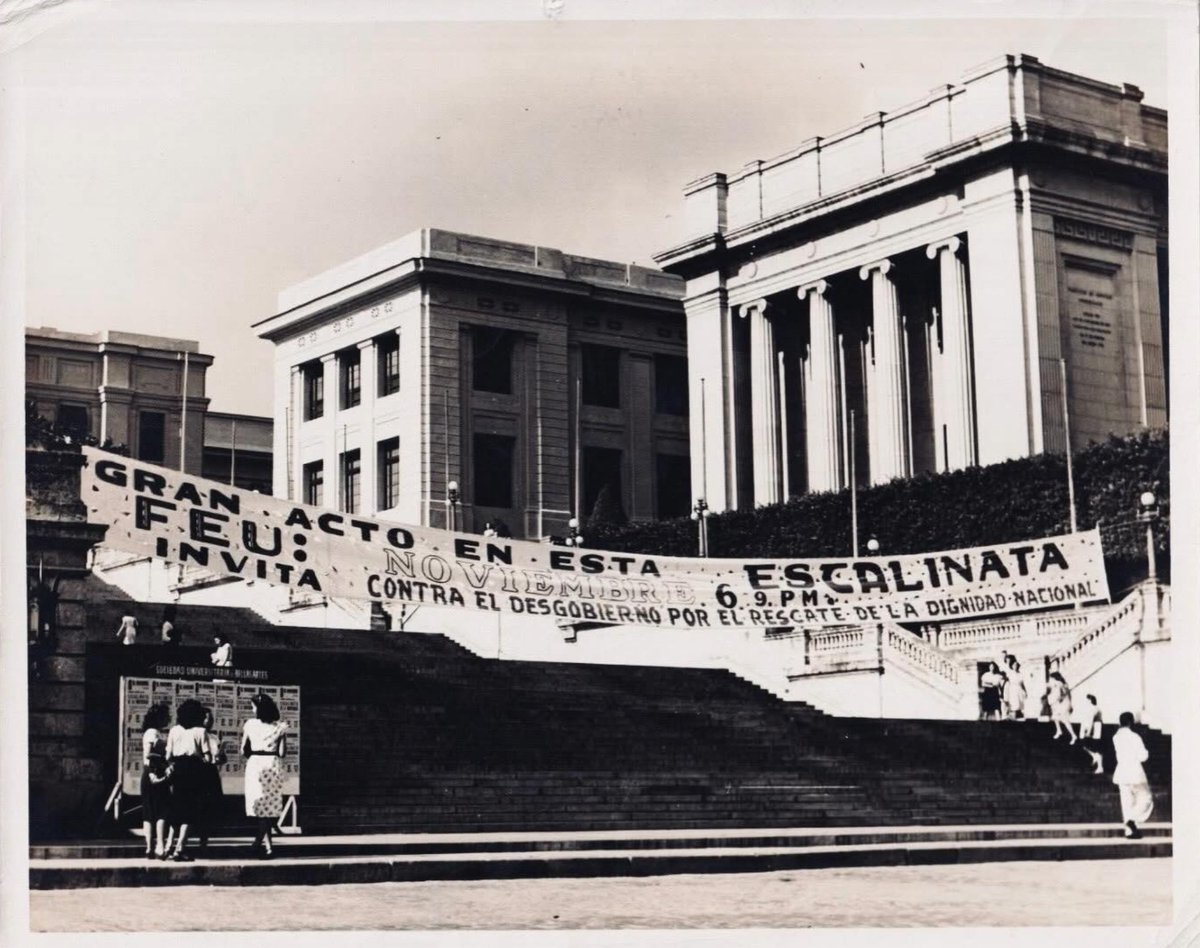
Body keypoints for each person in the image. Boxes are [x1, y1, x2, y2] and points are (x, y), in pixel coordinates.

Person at [242, 693, 289, 858]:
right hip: (272, 764)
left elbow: (243, 750)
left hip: (255, 764)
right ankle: (267, 846)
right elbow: (282, 753)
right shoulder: (280, 727)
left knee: (260, 807)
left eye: (253, 707)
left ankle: (259, 843)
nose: (252, 710)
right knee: (268, 808)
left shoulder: (250, 724)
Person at [164, 698, 211, 861]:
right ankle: (180, 848)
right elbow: (207, 757)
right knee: (190, 812)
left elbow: (168, 755)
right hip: (194, 770)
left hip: (177, 769)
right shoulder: (201, 731)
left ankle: (167, 846)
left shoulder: (174, 730)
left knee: (176, 809)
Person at [139, 703, 172, 859]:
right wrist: (156, 770)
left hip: (149, 773)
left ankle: (149, 847)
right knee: (160, 811)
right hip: (155, 772)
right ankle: (159, 845)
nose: (168, 718)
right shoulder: (153, 733)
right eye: (166, 715)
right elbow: (149, 755)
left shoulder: (151, 732)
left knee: (149, 812)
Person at [1112, 711, 1152, 838]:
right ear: (1130, 722)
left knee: (1126, 803)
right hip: (1135, 772)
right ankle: (1132, 820)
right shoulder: (1135, 737)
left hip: (1121, 772)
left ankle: (1129, 831)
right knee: (1146, 799)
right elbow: (1143, 756)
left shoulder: (1116, 737)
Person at [193, 706, 226, 852]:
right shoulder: (195, 734)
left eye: (211, 719)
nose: (210, 721)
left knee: (209, 807)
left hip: (211, 772)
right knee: (196, 806)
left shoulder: (214, 737)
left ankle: (204, 840)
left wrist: (220, 756)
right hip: (198, 772)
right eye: (207, 718)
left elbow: (222, 759)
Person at [1080, 694, 1105, 774]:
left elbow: (1090, 721)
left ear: (1090, 700)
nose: (1085, 701)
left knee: (1095, 748)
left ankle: (1100, 767)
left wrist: (1088, 732)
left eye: (1087, 700)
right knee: (1089, 747)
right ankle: (1095, 758)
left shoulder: (1093, 708)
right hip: (1096, 729)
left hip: (1096, 729)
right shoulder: (1093, 708)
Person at [1047, 671, 1075, 742]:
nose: (1050, 680)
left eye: (1051, 678)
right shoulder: (1063, 684)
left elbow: (1058, 695)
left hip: (1063, 703)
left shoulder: (1058, 684)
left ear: (1054, 678)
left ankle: (1073, 736)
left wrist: (1054, 700)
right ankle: (1059, 730)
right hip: (1065, 702)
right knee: (1055, 716)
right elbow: (1068, 694)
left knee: (1065, 720)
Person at [1003, 656, 1028, 721]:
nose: (1015, 666)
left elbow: (1022, 684)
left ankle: (1018, 719)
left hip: (1019, 691)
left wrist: (1025, 691)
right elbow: (1007, 683)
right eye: (1014, 665)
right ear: (1012, 666)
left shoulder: (1020, 674)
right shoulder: (1010, 673)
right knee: (1014, 705)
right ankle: (1012, 718)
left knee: (1020, 706)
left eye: (1017, 665)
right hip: (1012, 690)